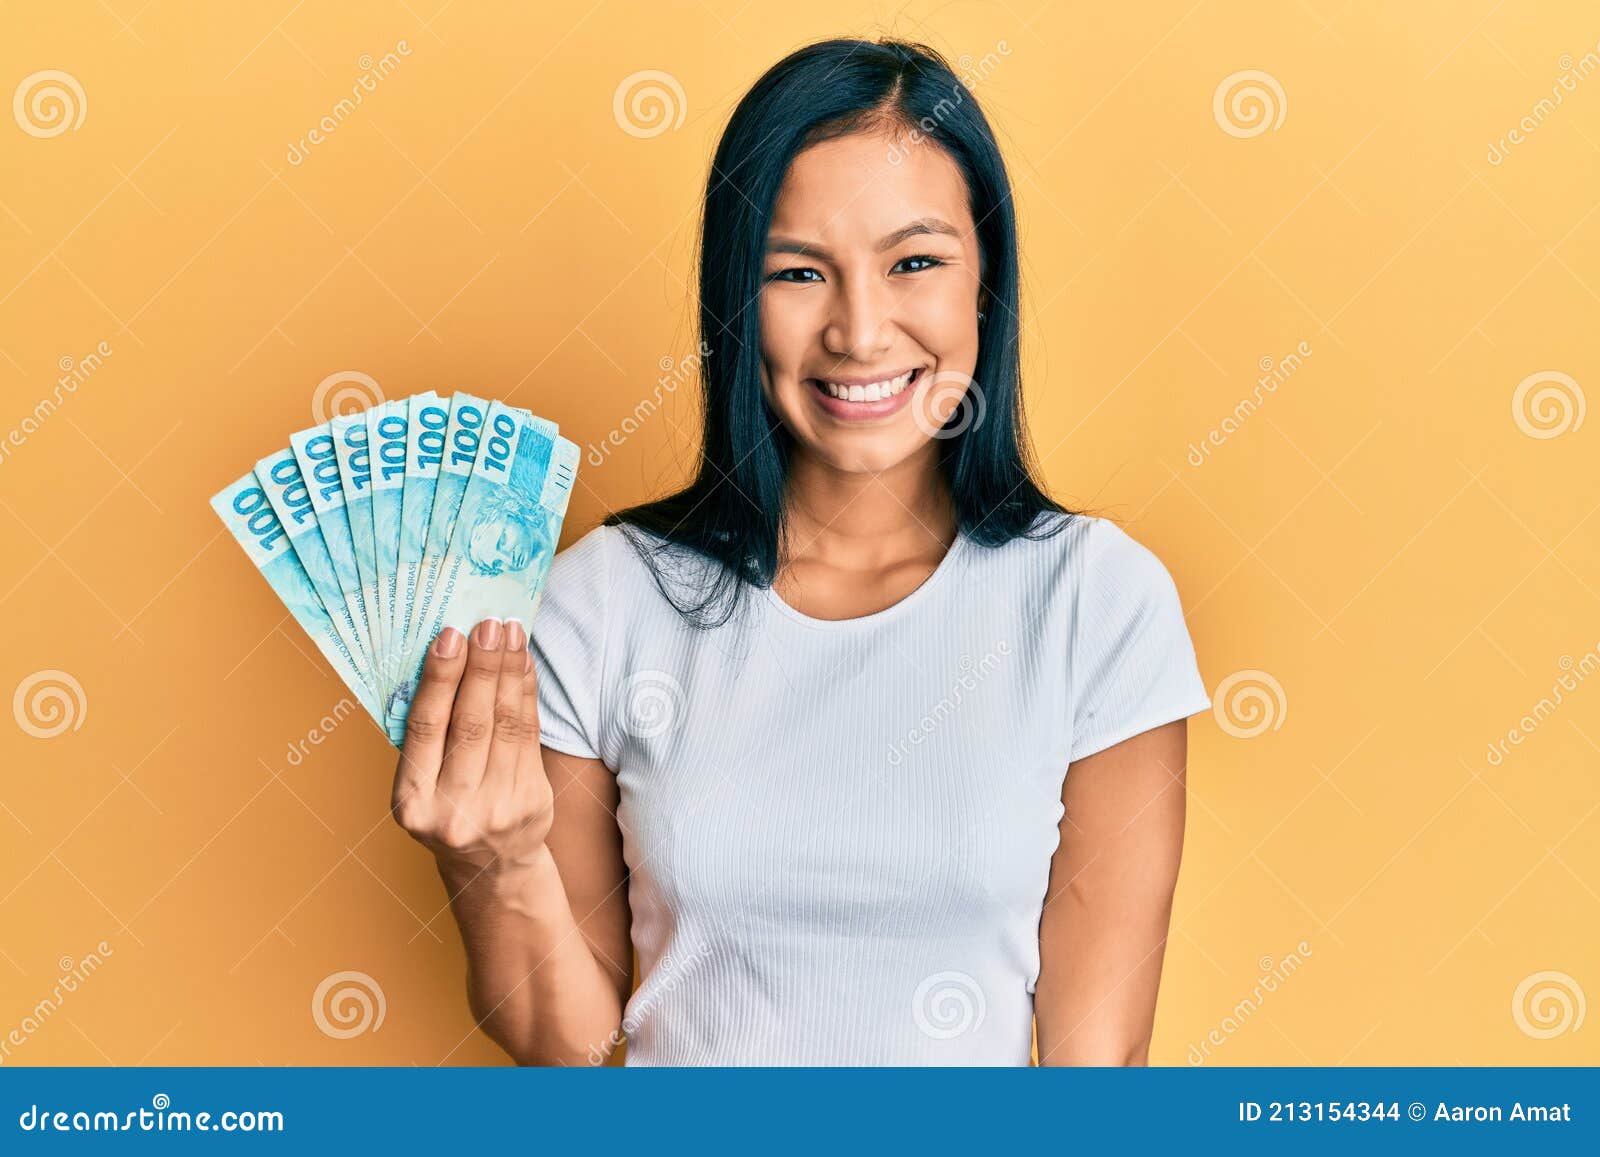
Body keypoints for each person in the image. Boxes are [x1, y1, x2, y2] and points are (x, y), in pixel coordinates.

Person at [390, 36, 1209, 1066]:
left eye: (914, 261)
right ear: (736, 300)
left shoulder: (1098, 601)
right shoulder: (604, 596)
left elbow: (1099, 1077)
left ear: (983, 284)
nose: (860, 332)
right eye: (797, 271)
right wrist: (492, 864)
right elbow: (572, 1052)